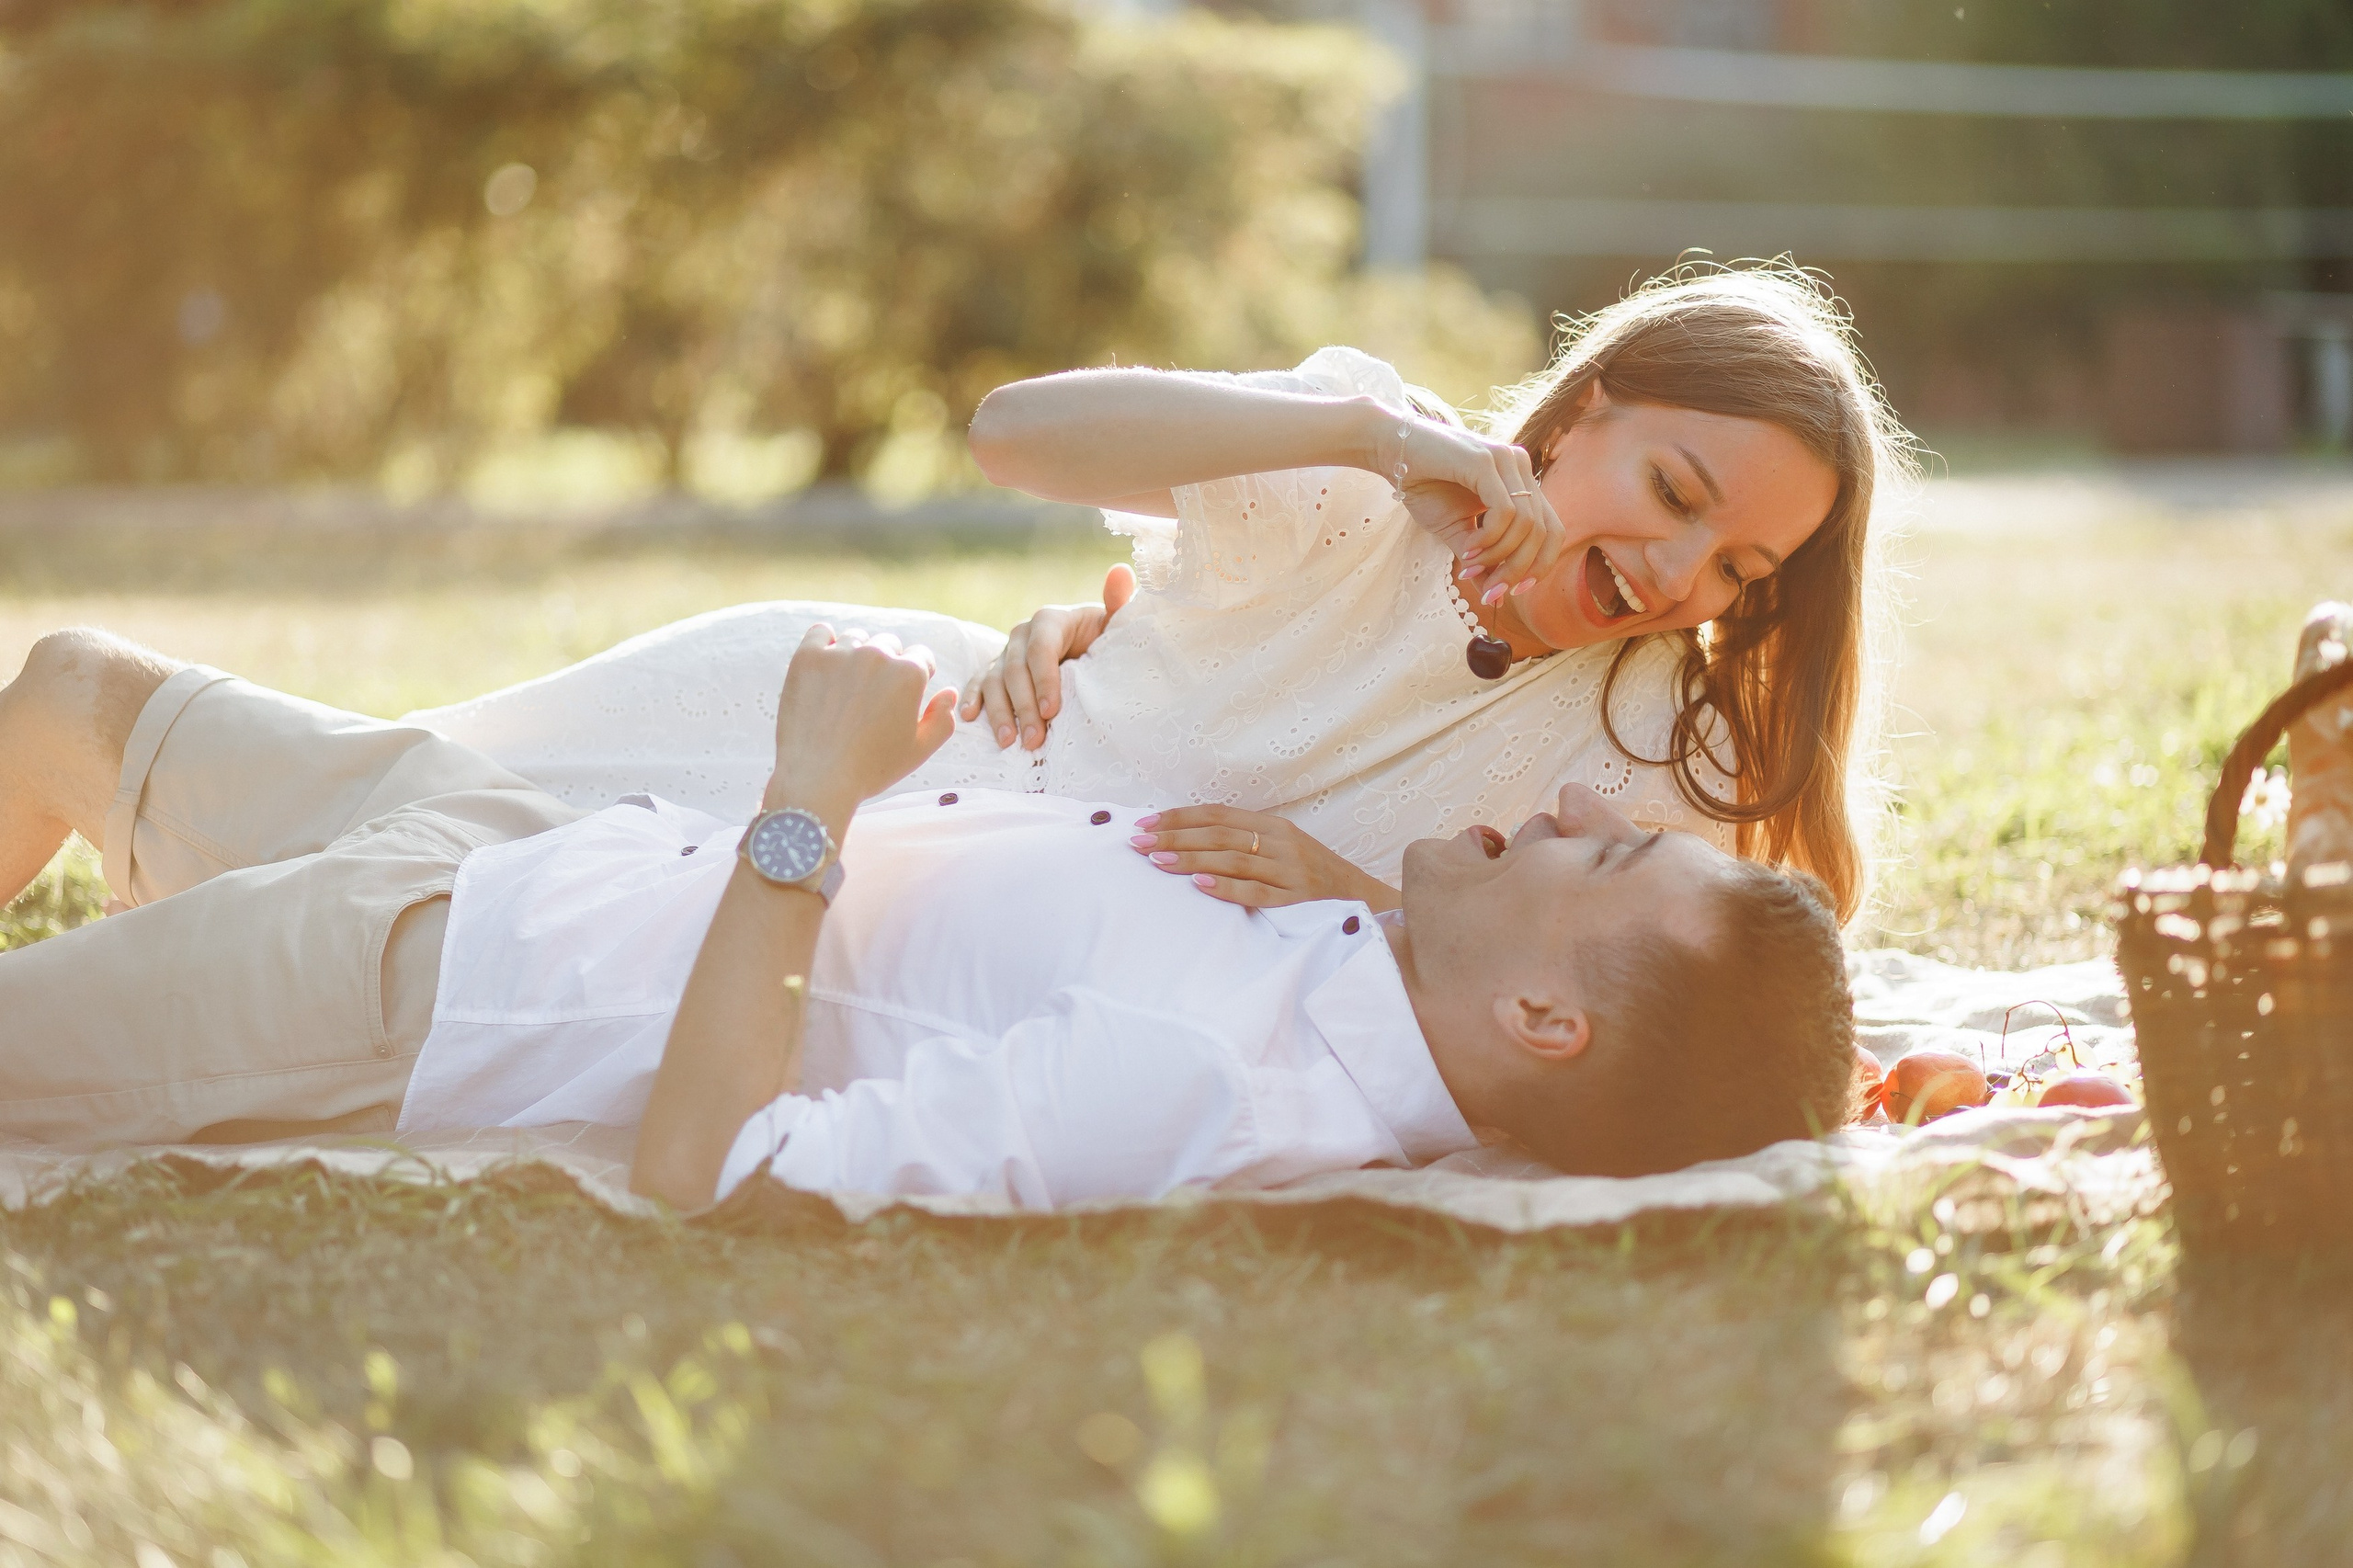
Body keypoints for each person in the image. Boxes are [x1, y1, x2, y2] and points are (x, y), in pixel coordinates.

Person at [0, 625, 1857, 1209]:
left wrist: (808, 793)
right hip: (515, 840)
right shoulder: (1365, 973)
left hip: (418, 983)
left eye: (1603, 859)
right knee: (71, 688)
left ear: (1550, 1023)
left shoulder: (1197, 1080)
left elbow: (708, 1167)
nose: (1577, 805)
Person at [404, 264, 1914, 925]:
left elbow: (1699, 988)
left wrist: (1373, 903)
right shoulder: (1357, 475)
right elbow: (1014, 434)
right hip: (892, 735)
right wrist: (1371, 436)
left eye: (1738, 574)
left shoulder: (1647, 751)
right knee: (411, 791)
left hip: (932, 925)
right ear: (1584, 409)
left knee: (421, 921)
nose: (1675, 578)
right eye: (1673, 496)